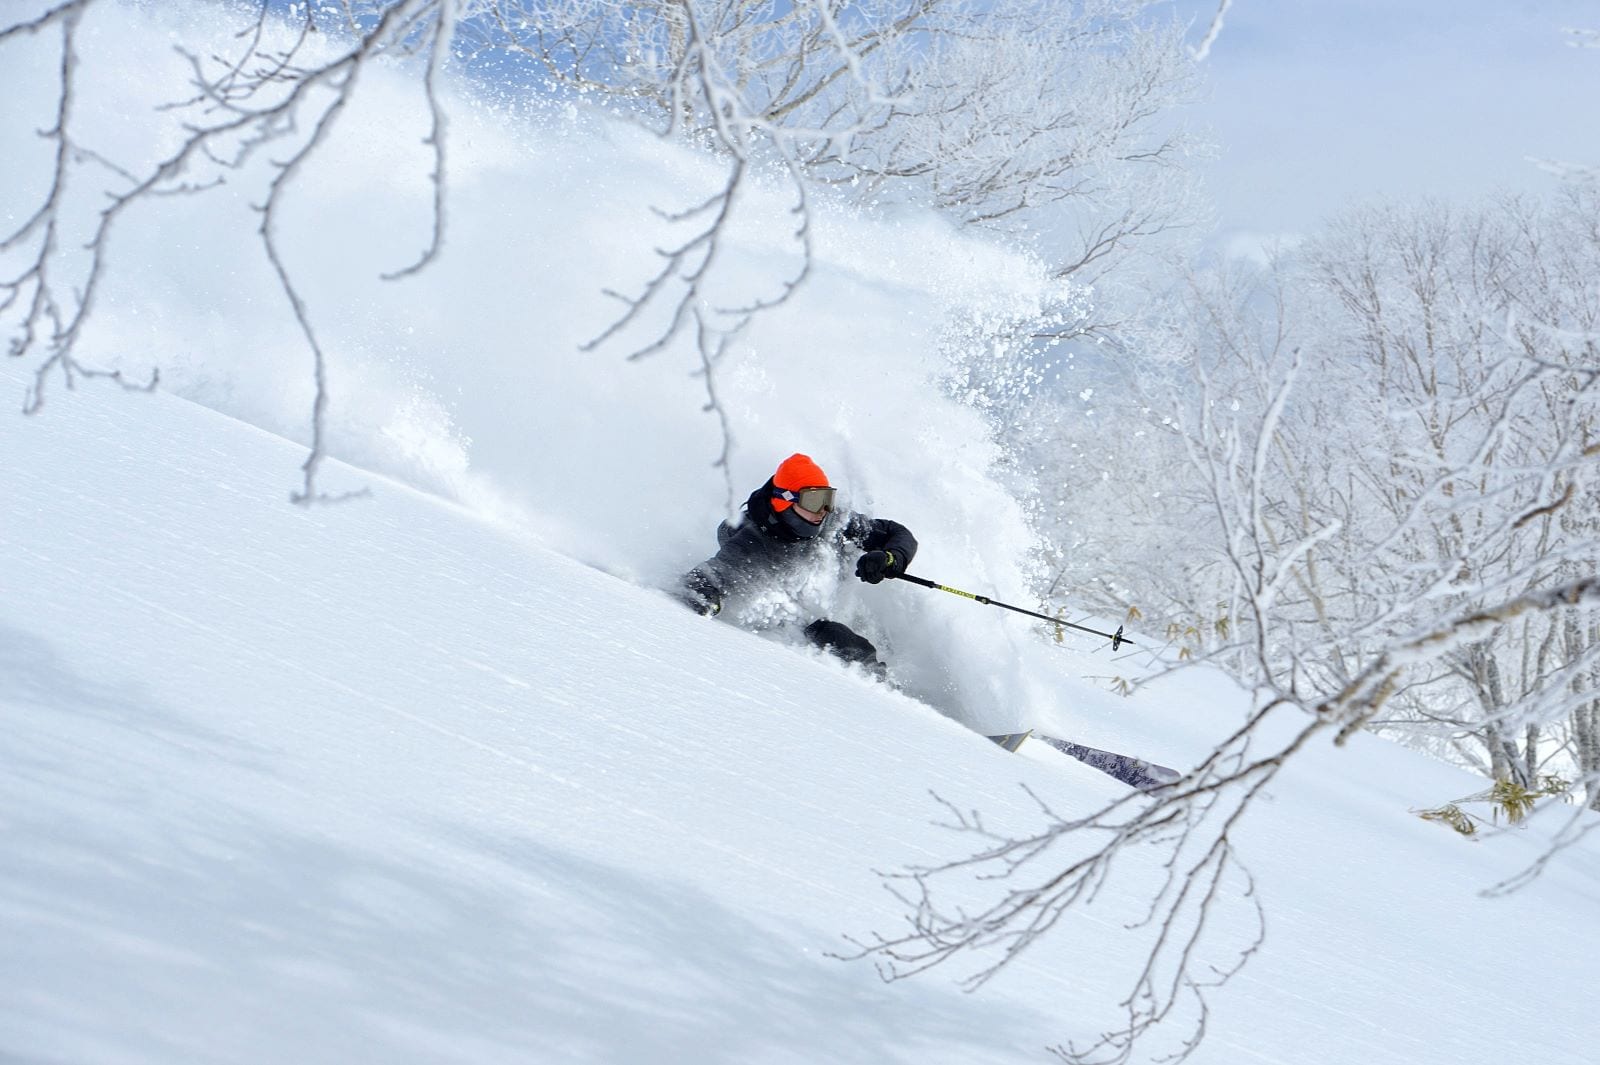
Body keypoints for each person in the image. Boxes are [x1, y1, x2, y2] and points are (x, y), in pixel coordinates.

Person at [678, 453, 917, 677]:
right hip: (790, 616)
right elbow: (701, 580)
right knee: (839, 640)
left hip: (817, 589)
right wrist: (707, 600)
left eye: (827, 499)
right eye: (814, 500)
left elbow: (896, 533)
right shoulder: (752, 542)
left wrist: (890, 558)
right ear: (785, 500)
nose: (823, 510)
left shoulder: (831, 520)